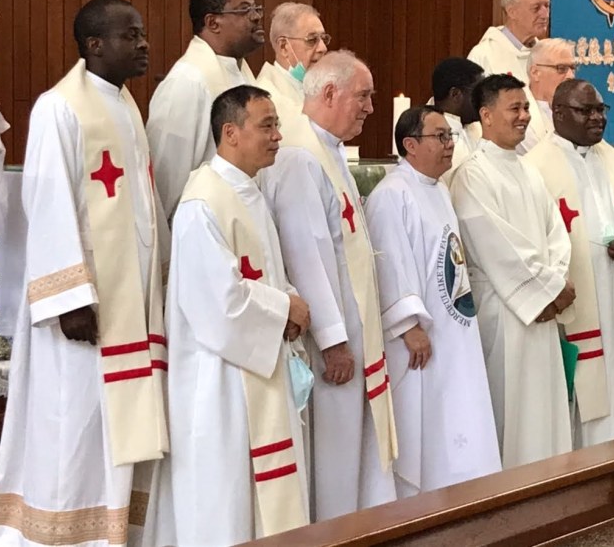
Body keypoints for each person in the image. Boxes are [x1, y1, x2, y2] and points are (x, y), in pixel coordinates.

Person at [0, 0, 169, 547]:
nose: (144, 44)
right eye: (131, 35)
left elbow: (144, 203)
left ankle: (113, 527)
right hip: (86, 303)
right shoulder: (59, 107)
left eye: (142, 33)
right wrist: (70, 298)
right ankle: (61, 531)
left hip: (130, 300)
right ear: (94, 45)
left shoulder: (126, 105)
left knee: (112, 422)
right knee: (73, 418)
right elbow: (48, 201)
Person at [145, 85, 311, 545]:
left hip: (255, 365)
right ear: (231, 133)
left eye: (277, 125)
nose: (277, 136)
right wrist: (285, 308)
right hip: (220, 380)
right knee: (225, 498)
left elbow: (267, 272)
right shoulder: (203, 202)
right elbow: (218, 303)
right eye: (267, 126)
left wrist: (289, 301)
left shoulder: (247, 191)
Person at [261, 50, 397, 521]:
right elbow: (307, 256)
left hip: (349, 331)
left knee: (351, 449)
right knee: (333, 455)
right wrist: (333, 341)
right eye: (364, 96)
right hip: (330, 343)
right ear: (330, 93)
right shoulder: (300, 156)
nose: (370, 108)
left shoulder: (328, 150)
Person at [364, 106, 501, 496]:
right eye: (439, 137)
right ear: (410, 144)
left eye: (449, 136)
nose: (449, 144)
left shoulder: (438, 189)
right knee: (425, 426)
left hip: (454, 329)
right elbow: (389, 262)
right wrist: (408, 325)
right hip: (419, 340)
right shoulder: (391, 195)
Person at [449, 74, 574, 468]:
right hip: (505, 311)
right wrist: (547, 289)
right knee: (512, 409)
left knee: (545, 407)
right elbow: (496, 246)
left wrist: (555, 283)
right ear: (486, 115)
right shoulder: (472, 174)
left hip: (540, 305)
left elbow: (557, 232)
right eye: (514, 108)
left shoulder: (528, 170)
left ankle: (550, 483)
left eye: (525, 108)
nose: (524, 116)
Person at [525, 79, 614, 448]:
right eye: (586, 111)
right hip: (572, 302)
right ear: (558, 113)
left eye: (601, 109)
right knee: (579, 398)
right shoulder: (535, 167)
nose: (597, 117)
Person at [147, 0, 264, 217]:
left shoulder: (241, 71)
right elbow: (166, 180)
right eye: (244, 10)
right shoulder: (188, 81)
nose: (256, 16)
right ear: (212, 22)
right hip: (205, 223)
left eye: (256, 8)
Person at [256, 2, 330, 131]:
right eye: (312, 40)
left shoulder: (319, 87)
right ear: (284, 46)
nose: (323, 48)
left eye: (324, 39)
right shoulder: (266, 98)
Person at [467, 0, 550, 84]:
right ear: (512, 12)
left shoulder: (546, 55)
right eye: (536, 8)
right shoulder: (484, 55)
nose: (545, 15)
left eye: (547, 6)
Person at [429, 57, 484, 185]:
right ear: (455, 94)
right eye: (478, 94)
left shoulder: (474, 126)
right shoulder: (433, 136)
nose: (484, 101)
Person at [519, 38, 578, 154]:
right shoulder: (517, 113)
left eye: (572, 68)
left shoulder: (575, 109)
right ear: (535, 73)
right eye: (561, 69)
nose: (571, 76)